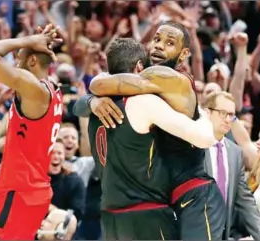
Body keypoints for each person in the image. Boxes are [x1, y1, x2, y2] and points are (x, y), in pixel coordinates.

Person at [74, 21, 226, 240]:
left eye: (169, 43)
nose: (159, 46)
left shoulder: (172, 79)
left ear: (183, 55)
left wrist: (93, 93)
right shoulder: (143, 93)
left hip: (194, 191)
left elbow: (99, 85)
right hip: (167, 196)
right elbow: (88, 97)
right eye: (156, 39)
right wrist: (91, 101)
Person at [0, 24, 63, 240]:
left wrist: (27, 41)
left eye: (18, 58)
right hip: (29, 192)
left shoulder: (35, 90)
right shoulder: (50, 91)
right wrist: (33, 42)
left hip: (18, 193)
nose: (13, 64)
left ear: (32, 61)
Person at [202, 92, 260, 240]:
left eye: (231, 114)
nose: (228, 119)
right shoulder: (193, 147)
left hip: (225, 232)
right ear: (207, 113)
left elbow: (245, 201)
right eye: (223, 113)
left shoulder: (235, 153)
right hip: (196, 231)